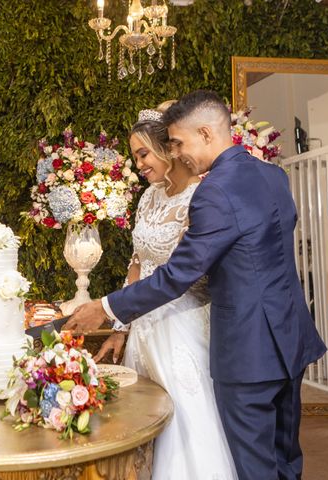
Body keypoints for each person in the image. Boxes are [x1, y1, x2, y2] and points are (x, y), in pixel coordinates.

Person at [65, 90, 326, 480]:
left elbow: (177, 276)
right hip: (289, 338)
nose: (179, 153)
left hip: (247, 350)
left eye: (179, 142)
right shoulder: (273, 175)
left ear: (206, 133)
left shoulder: (213, 192)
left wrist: (105, 308)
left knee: (254, 466)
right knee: (285, 457)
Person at [93, 103, 238, 479]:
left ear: (167, 148)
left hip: (182, 325)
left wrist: (112, 309)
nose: (138, 164)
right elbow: (137, 264)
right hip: (143, 328)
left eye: (143, 154)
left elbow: (189, 274)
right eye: (134, 157)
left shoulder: (201, 198)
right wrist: (121, 328)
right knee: (142, 419)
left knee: (185, 417)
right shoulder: (148, 198)